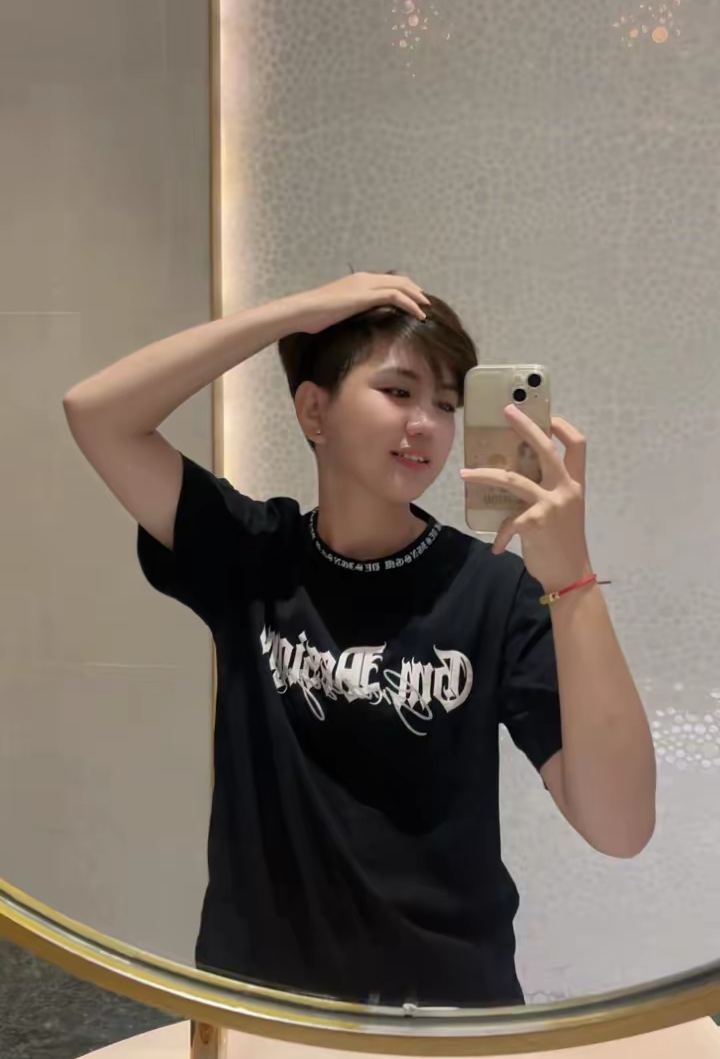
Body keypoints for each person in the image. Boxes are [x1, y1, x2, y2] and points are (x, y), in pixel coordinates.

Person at [62, 271, 656, 1008]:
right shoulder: (252, 554)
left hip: (447, 1018)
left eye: (447, 404)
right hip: (263, 1010)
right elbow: (97, 413)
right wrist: (294, 314)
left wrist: (571, 578)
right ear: (314, 410)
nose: (427, 424)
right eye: (399, 391)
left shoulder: (494, 589)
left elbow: (621, 827)